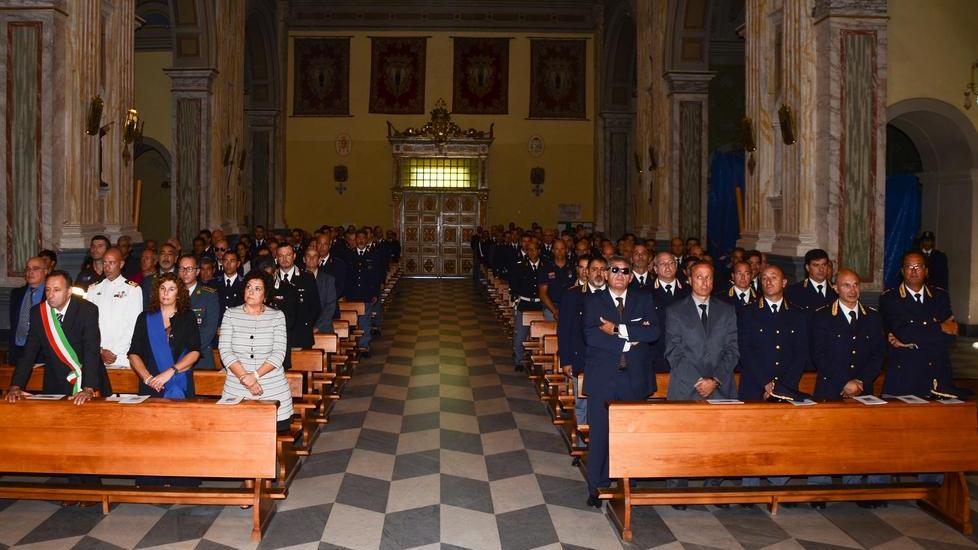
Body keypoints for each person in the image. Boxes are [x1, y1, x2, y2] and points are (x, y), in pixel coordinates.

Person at [582, 256, 661, 508]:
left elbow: (653, 331)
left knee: (631, 433)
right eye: (614, 270)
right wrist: (629, 340)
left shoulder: (643, 299)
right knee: (600, 433)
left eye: (625, 271)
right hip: (603, 378)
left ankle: (628, 479)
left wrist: (617, 329)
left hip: (634, 377)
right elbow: (592, 335)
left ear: (630, 277)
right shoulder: (593, 301)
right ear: (606, 274)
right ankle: (596, 485)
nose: (619, 274)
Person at [809, 268, 888, 504]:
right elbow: (819, 354)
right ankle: (820, 489)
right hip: (831, 387)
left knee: (858, 441)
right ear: (835, 288)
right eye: (846, 285)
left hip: (862, 389)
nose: (852, 290)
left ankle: (854, 488)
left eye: (855, 285)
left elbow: (878, 354)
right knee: (826, 440)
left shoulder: (872, 317)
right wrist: (844, 382)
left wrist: (861, 381)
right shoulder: (823, 316)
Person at [664, 261, 739, 498]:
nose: (704, 282)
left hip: (720, 386)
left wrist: (715, 379)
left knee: (718, 441)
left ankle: (713, 484)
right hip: (686, 386)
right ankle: (678, 486)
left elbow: (733, 350)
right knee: (683, 440)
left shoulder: (726, 310)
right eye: (699, 277)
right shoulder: (675, 310)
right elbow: (673, 352)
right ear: (689, 279)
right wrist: (699, 380)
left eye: (708, 277)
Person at [7, 270, 110, 403]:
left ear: (69, 291)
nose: (50, 295)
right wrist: (16, 386)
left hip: (87, 379)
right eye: (47, 290)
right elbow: (29, 353)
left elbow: (91, 351)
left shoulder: (87, 310)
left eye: (56, 290)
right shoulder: (39, 313)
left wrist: (88, 388)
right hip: (55, 380)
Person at [219, 271, 294, 432]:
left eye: (257, 289)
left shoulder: (277, 316)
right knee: (234, 433)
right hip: (237, 387)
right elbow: (225, 351)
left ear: (265, 296)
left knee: (271, 434)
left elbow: (279, 353)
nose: (251, 291)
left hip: (272, 387)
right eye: (248, 287)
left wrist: (254, 376)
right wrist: (245, 379)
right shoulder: (230, 314)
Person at [879, 251, 960, 398]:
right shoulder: (890, 298)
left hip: (937, 375)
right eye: (909, 266)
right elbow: (904, 333)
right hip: (905, 375)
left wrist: (912, 340)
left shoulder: (940, 296)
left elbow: (950, 337)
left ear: (926, 271)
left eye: (918, 266)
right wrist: (940, 327)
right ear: (902, 271)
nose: (914, 270)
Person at [128, 272, 201, 398]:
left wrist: (170, 372)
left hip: (179, 380)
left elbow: (194, 352)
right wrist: (148, 378)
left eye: (171, 289)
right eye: (162, 288)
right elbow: (134, 353)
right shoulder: (144, 318)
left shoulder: (188, 317)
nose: (166, 293)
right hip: (151, 384)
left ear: (178, 293)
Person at [557, 255, 605, 447]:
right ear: (587, 272)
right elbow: (564, 329)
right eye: (594, 269)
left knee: (604, 404)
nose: (598, 273)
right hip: (581, 357)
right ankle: (583, 446)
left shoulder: (613, 294)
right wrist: (566, 360)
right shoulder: (573, 295)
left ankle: (601, 443)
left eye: (602, 269)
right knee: (582, 403)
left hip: (605, 360)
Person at [86, 248, 143, 369]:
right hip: (97, 355)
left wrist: (115, 353)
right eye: (104, 262)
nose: (107, 267)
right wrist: (100, 350)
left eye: (111, 263)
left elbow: (133, 325)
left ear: (121, 264)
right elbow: (89, 325)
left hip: (121, 356)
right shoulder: (93, 289)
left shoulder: (132, 290)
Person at [177, 254, 220, 369]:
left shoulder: (209, 295)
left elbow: (209, 330)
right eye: (181, 268)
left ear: (197, 272)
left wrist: (188, 352)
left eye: (190, 269)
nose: (185, 272)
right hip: (174, 356)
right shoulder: (171, 293)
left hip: (200, 357)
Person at [276, 245, 321, 349]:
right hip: (277, 337)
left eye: (288, 255)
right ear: (276, 258)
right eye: (281, 255)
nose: (284, 259)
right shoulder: (271, 279)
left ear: (294, 256)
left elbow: (315, 307)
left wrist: (306, 325)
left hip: (301, 335)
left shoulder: (307, 278)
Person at [510, 241, 544, 368]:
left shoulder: (545, 266)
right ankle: (518, 359)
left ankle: (541, 361)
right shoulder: (520, 266)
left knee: (542, 333)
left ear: (539, 251)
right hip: (525, 303)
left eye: (534, 249)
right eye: (529, 250)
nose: (532, 252)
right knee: (520, 334)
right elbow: (514, 284)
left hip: (540, 304)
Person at [8, 257, 48, 365]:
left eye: (35, 268)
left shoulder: (50, 295)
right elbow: (14, 324)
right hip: (17, 351)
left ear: (45, 271)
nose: (30, 272)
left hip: (41, 354)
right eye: (28, 269)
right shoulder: (16, 294)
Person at [538, 239, 575, 321]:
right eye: (557, 249)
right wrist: (555, 311)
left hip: (570, 306)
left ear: (566, 250)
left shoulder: (573, 267)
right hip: (551, 307)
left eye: (562, 249)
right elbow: (542, 294)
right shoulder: (546, 268)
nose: (559, 252)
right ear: (553, 250)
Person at [304, 247, 338, 333]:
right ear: (304, 259)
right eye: (308, 256)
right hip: (302, 328)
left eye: (315, 256)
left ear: (319, 260)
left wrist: (317, 327)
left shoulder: (328, 280)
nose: (311, 258)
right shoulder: (297, 279)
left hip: (323, 327)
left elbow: (330, 307)